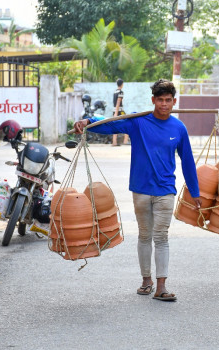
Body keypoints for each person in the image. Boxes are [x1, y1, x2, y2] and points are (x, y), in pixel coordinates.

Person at [74, 79, 202, 302]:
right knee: (145, 235)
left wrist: (195, 191)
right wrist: (88, 121)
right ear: (153, 100)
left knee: (161, 236)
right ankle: (146, 280)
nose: (164, 104)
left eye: (168, 100)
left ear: (174, 101)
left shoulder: (178, 128)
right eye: (160, 100)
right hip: (141, 190)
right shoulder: (137, 121)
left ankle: (161, 286)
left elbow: (188, 162)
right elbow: (110, 124)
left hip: (165, 191)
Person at [112, 78, 130, 146]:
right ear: (122, 84)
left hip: (114, 110)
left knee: (115, 126)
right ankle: (125, 141)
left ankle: (114, 142)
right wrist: (116, 113)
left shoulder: (115, 91)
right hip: (119, 111)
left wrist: (115, 113)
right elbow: (118, 102)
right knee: (128, 122)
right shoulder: (121, 92)